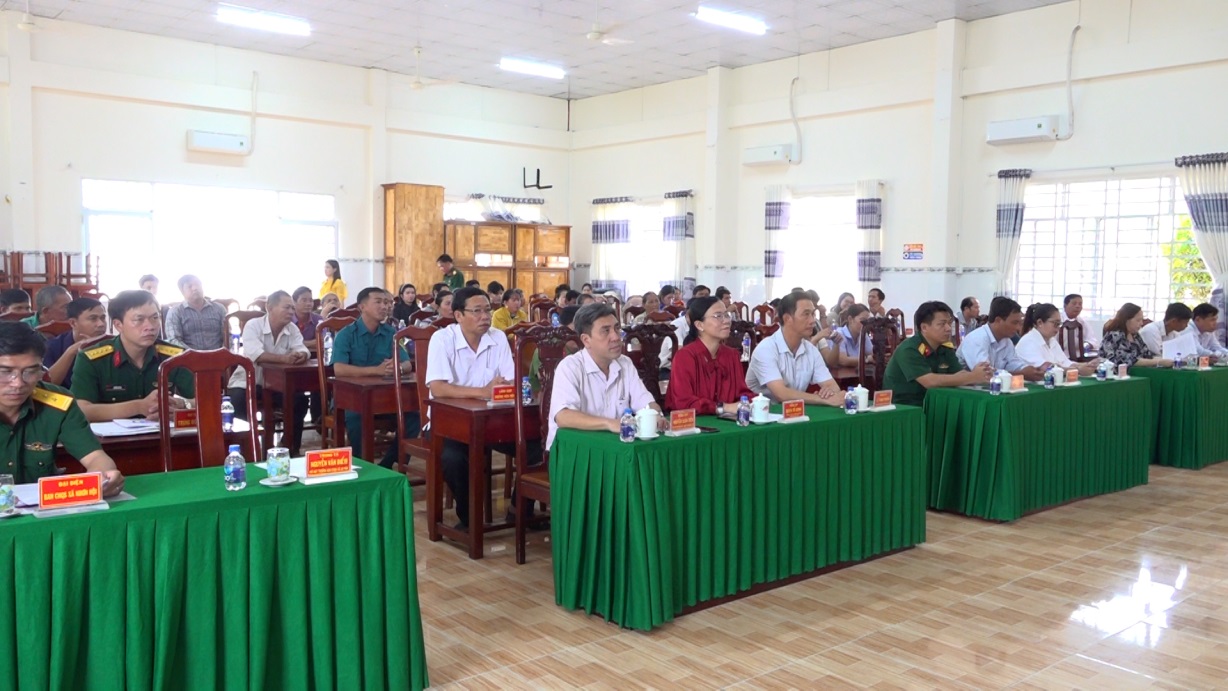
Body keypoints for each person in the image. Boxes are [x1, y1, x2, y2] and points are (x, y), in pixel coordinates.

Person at [424, 286, 529, 529]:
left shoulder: (498, 337)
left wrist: (501, 388)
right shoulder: (442, 339)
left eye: (488, 310)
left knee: (536, 446)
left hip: (492, 423)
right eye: (477, 311)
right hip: (449, 424)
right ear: (458, 315)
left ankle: (518, 509)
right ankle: (469, 519)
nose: (485, 317)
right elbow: (438, 388)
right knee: (454, 458)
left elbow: (510, 380)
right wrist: (482, 392)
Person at [0, 322, 124, 494]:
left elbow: (95, 457)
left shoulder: (58, 402)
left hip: (43, 508)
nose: (18, 383)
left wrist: (104, 476)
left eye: (30, 371)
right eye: (5, 372)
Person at [71, 290, 195, 422]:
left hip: (163, 431)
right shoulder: (91, 358)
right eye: (139, 320)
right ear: (118, 325)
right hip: (110, 434)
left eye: (155, 318)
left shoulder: (175, 357)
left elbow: (205, 399)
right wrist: (138, 407)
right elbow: (80, 410)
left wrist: (182, 405)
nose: (150, 326)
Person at [549, 303, 660, 448]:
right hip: (576, 450)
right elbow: (563, 416)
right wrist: (609, 423)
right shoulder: (570, 367)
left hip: (614, 447)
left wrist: (656, 415)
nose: (616, 337)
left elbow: (645, 402)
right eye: (606, 331)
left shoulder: (625, 363)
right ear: (586, 340)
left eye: (617, 328)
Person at [330, 287, 415, 467]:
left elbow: (407, 363)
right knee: (356, 418)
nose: (384, 306)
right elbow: (339, 369)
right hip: (351, 399)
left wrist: (398, 367)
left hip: (386, 398)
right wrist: (376, 370)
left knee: (415, 415)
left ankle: (388, 464)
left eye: (386, 302)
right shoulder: (346, 334)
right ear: (362, 307)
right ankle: (363, 467)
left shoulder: (392, 333)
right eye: (378, 302)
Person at [225, 291, 311, 455]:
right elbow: (256, 355)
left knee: (300, 400)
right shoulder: (253, 325)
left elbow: (303, 349)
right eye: (286, 307)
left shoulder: (292, 328)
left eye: (292, 308)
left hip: (277, 384)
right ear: (269, 308)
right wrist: (284, 359)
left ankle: (289, 448)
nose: (291, 312)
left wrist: (301, 355)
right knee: (236, 401)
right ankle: (246, 449)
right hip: (248, 382)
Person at [882, 301, 993, 405]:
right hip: (906, 407)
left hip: (936, 403)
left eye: (949, 323)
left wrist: (982, 373)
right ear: (924, 327)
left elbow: (959, 373)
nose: (948, 328)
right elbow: (929, 381)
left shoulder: (944, 347)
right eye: (942, 324)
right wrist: (972, 377)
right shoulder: (909, 349)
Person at [746, 292, 840, 406]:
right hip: (760, 412)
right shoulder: (765, 349)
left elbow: (833, 387)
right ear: (787, 318)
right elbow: (781, 394)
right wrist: (822, 399)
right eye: (806, 314)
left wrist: (828, 392)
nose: (812, 321)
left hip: (793, 411)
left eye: (813, 314)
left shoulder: (811, 350)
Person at [664, 296, 753, 414]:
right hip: (693, 422)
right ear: (699, 325)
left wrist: (756, 401)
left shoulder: (732, 355)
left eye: (726, 315)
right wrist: (723, 408)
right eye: (718, 316)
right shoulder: (685, 357)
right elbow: (683, 402)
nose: (726, 321)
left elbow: (742, 393)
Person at [956, 297, 1045, 380]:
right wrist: (1022, 373)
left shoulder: (1006, 341)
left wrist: (1028, 369)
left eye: (1019, 323)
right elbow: (985, 373)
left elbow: (1013, 363)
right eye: (1014, 323)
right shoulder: (976, 339)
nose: (1018, 328)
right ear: (998, 320)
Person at [1015, 303, 1100, 375]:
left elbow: (1065, 362)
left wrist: (1086, 365)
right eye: (1055, 323)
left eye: (1059, 324)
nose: (1058, 328)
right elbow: (1045, 368)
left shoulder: (1051, 340)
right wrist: (1078, 370)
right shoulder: (1027, 342)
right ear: (1040, 323)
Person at [43, 297, 108, 389]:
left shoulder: (112, 344)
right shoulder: (52, 346)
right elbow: (47, 385)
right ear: (73, 323)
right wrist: (71, 351)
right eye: (93, 319)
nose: (101, 324)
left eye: (103, 318)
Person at [1099, 303, 1172, 368]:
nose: (1141, 323)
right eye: (1138, 320)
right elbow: (1127, 360)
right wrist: (1158, 362)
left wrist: (1167, 360)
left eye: (1142, 320)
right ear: (1126, 320)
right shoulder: (1114, 335)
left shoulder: (1136, 336)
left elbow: (1147, 355)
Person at [164, 275, 226, 350]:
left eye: (197, 284)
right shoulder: (175, 312)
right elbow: (174, 340)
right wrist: (193, 354)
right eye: (190, 286)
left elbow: (228, 335)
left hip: (219, 355)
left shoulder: (219, 308)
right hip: (188, 356)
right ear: (182, 291)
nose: (195, 288)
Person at [530, 305, 580, 393]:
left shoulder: (589, 349)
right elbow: (549, 384)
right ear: (561, 329)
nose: (580, 336)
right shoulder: (546, 349)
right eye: (575, 331)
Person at [291, 286, 323, 351]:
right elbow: (286, 344)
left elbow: (323, 341)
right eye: (304, 300)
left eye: (311, 300)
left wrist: (298, 343)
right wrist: (311, 343)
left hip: (315, 355)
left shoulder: (318, 319)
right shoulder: (288, 320)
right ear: (294, 302)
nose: (308, 304)